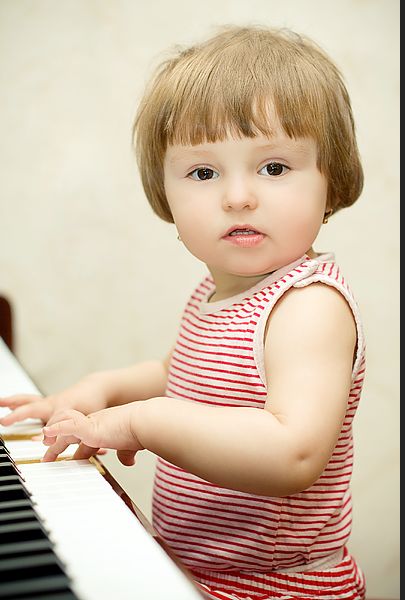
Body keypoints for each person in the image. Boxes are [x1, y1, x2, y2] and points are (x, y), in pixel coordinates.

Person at [0, 26, 366, 600]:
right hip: (202, 572)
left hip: (272, 586)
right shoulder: (218, 291)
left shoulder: (308, 306)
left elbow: (292, 449)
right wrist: (103, 389)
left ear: (332, 181)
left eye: (273, 167)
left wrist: (142, 422)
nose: (238, 196)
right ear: (164, 194)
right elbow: (186, 371)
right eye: (203, 172)